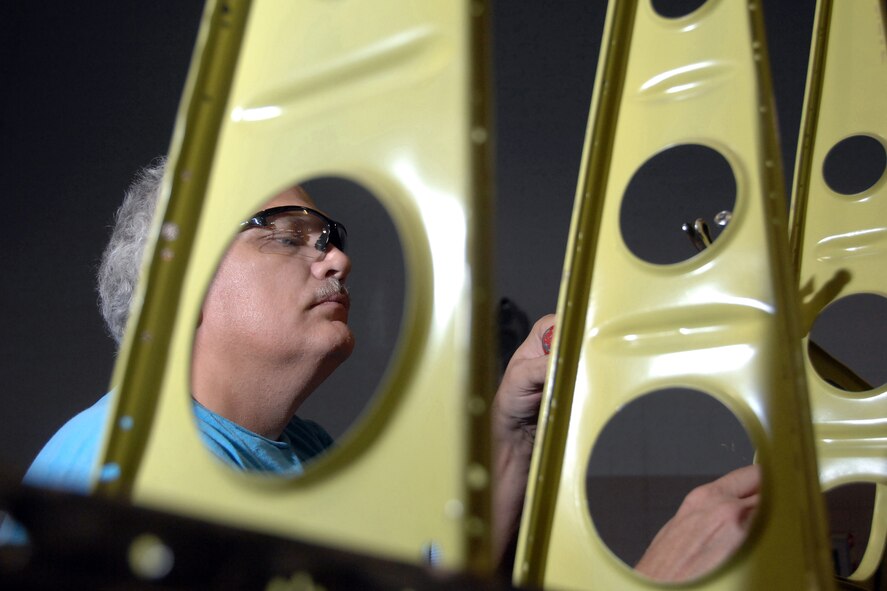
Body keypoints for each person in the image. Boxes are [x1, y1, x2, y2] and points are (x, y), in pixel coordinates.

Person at [3, 159, 759, 580]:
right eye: (289, 235)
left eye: (329, 234)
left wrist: (511, 424)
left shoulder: (305, 451)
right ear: (179, 280)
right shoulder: (122, 468)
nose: (338, 257)